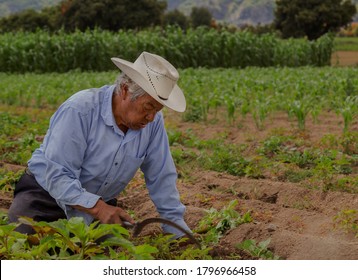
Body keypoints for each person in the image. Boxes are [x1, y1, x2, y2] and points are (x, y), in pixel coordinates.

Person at [8, 51, 191, 239]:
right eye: (148, 107)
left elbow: (161, 176)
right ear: (125, 90)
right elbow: (57, 174)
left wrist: (176, 227)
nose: (151, 117)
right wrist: (98, 208)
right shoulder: (80, 110)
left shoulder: (152, 124)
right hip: (44, 197)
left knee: (111, 256)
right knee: (22, 242)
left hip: (95, 207)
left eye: (157, 110)